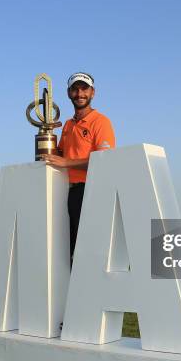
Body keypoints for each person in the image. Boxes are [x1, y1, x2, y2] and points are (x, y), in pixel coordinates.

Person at [42, 72, 116, 263]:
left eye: (84, 89)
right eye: (75, 89)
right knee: (68, 251)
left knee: (87, 253)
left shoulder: (101, 122)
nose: (79, 93)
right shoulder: (67, 125)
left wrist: (67, 163)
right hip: (69, 192)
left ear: (93, 92)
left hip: (90, 191)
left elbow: (105, 161)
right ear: (68, 93)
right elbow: (59, 155)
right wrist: (46, 133)